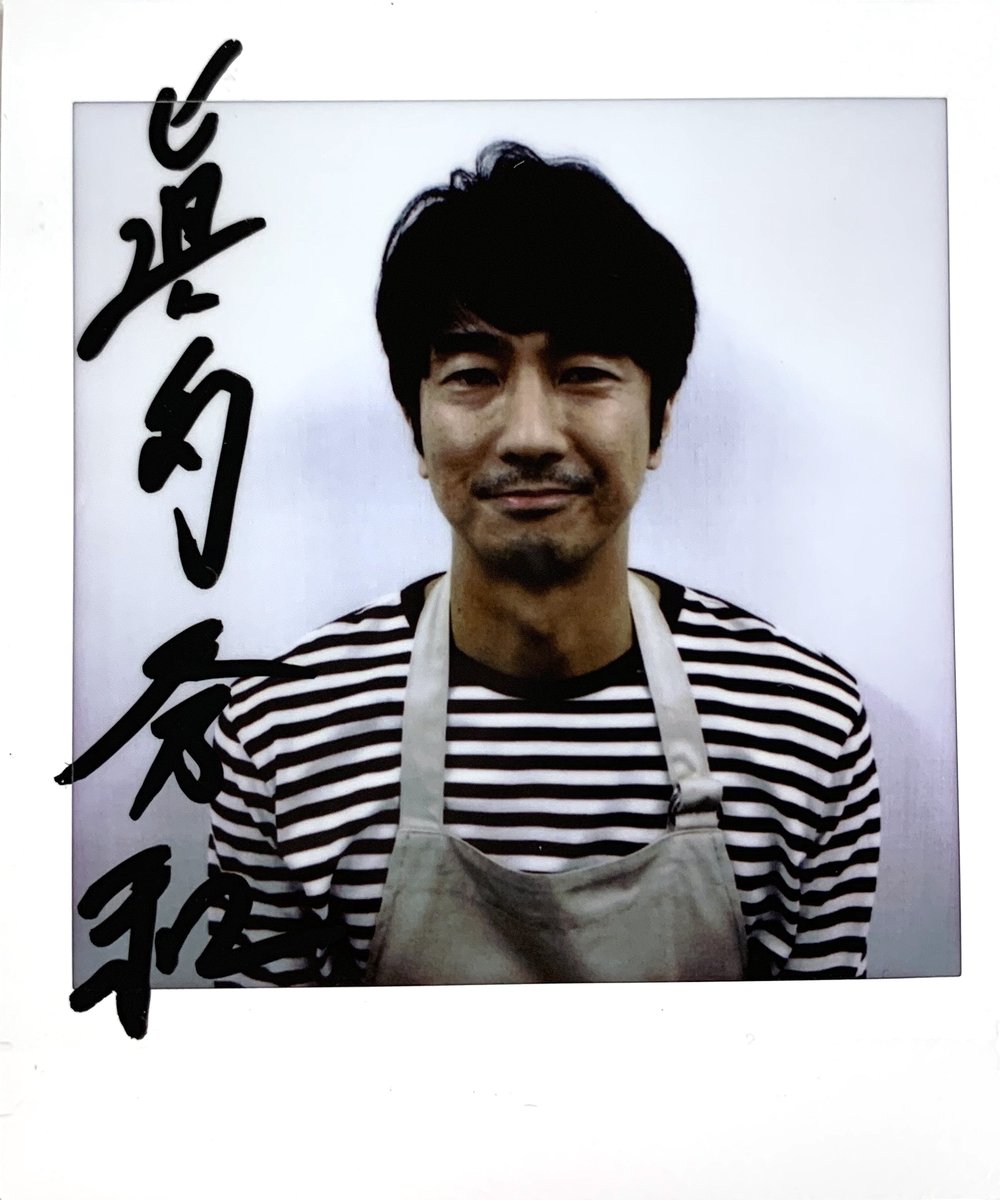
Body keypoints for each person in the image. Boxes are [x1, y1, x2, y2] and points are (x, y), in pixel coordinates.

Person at [209, 141, 881, 985]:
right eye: (473, 374)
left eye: (585, 372)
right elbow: (261, 1062)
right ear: (415, 425)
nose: (530, 435)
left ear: (662, 421)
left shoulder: (803, 729)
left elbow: (816, 1060)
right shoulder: (284, 733)